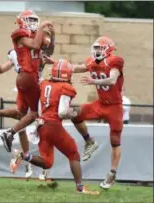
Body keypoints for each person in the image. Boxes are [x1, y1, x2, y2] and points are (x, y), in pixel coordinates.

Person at [0, 9, 54, 180]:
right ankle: (13, 139)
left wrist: (48, 37)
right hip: (30, 80)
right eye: (29, 20)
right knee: (37, 119)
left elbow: (47, 48)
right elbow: (5, 68)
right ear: (21, 22)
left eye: (35, 20)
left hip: (29, 80)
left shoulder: (35, 37)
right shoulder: (21, 38)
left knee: (21, 115)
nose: (33, 23)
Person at [45, 36, 124, 189]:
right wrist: (55, 63)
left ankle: (112, 173)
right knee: (75, 114)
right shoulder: (91, 62)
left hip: (115, 107)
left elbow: (112, 80)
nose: (97, 51)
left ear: (109, 50)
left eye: (100, 48)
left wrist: (94, 81)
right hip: (100, 104)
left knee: (115, 141)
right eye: (96, 48)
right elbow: (74, 68)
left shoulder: (115, 61)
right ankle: (89, 141)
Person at [10, 59, 100, 195]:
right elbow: (62, 112)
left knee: (47, 163)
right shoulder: (66, 88)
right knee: (73, 154)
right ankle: (80, 188)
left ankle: (21, 155)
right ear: (67, 74)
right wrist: (75, 112)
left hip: (41, 125)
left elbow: (40, 107)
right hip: (53, 125)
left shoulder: (44, 83)